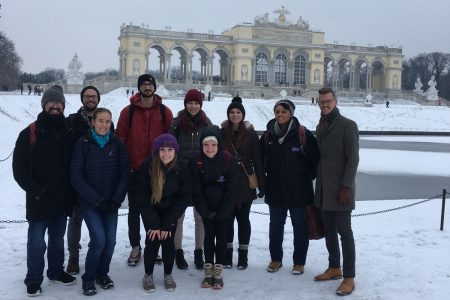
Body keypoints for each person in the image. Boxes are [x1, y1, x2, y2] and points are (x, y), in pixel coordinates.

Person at [12, 85, 76, 297]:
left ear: (63, 106)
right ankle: (33, 279)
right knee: (37, 243)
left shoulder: (68, 131)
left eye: (58, 102)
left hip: (60, 199)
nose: (55, 105)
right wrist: (36, 191)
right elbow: (19, 169)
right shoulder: (29, 132)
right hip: (39, 200)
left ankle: (56, 271)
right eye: (51, 102)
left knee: (57, 241)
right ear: (44, 105)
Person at [70, 108, 129, 296]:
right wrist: (97, 200)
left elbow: (125, 173)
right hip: (90, 203)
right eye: (101, 121)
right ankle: (88, 278)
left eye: (108, 121)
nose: (104, 125)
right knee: (99, 239)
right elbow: (76, 176)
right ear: (93, 122)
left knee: (110, 241)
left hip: (111, 202)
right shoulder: (83, 143)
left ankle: (102, 274)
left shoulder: (117, 144)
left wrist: (116, 199)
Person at [116, 74, 173, 266]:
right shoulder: (128, 112)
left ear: (155, 87)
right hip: (134, 169)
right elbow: (120, 139)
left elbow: (169, 141)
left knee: (156, 210)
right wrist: (125, 164)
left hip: (157, 170)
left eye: (150, 84)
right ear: (139, 87)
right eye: (144, 84)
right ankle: (135, 246)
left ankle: (153, 246)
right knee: (134, 211)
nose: (147, 87)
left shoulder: (165, 111)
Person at [260, 99, 320, 275]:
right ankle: (276, 259)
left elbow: (314, 161)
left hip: (299, 192)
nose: (280, 115)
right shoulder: (267, 136)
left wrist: (303, 179)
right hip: (276, 190)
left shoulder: (303, 134)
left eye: (284, 112)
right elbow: (261, 161)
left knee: (300, 227)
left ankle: (299, 262)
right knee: (275, 227)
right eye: (277, 112)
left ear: (291, 114)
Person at [313, 87, 359, 296]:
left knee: (345, 233)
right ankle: (334, 267)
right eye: (322, 102)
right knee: (329, 230)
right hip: (323, 189)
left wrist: (346, 186)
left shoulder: (348, 125)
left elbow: (353, 159)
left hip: (341, 190)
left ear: (336, 101)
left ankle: (349, 277)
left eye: (328, 101)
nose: (325, 105)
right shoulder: (320, 125)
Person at [66, 85, 113, 275]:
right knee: (75, 220)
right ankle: (73, 257)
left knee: (99, 229)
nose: (90, 99)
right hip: (79, 179)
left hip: (100, 180)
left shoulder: (107, 120)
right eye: (87, 96)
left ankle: (97, 261)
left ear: (98, 99)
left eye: (94, 96)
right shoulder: (72, 120)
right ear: (82, 98)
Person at [136, 134, 191, 293]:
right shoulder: (147, 166)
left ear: (175, 151)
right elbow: (141, 196)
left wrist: (168, 223)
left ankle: (168, 274)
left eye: (170, 149)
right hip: (151, 210)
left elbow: (183, 197)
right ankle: (148, 274)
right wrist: (153, 223)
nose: (166, 153)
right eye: (162, 149)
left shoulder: (182, 168)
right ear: (156, 151)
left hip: (171, 212)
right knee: (152, 241)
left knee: (168, 242)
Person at [191, 125, 239, 289]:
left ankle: (218, 270)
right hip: (206, 208)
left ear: (218, 144)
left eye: (213, 144)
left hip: (224, 209)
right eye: (206, 145)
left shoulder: (227, 160)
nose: (209, 148)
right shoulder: (197, 160)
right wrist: (204, 210)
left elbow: (233, 189)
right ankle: (208, 269)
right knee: (208, 238)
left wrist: (224, 211)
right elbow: (196, 188)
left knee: (222, 238)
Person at [169, 89, 212, 270]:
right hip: (180, 176)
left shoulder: (207, 124)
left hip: (200, 177)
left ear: (200, 104)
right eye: (190, 103)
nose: (193, 106)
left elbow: (213, 149)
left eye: (196, 103)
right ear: (185, 104)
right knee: (178, 217)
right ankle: (178, 252)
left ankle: (198, 252)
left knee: (200, 217)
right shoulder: (177, 123)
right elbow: (169, 148)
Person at [221, 97, 265, 270]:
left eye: (238, 112)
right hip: (227, 182)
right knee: (227, 220)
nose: (235, 115)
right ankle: (227, 255)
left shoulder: (251, 134)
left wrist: (261, 183)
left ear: (243, 114)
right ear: (228, 114)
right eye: (232, 112)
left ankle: (243, 256)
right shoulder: (222, 131)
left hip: (245, 182)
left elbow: (258, 160)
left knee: (243, 220)